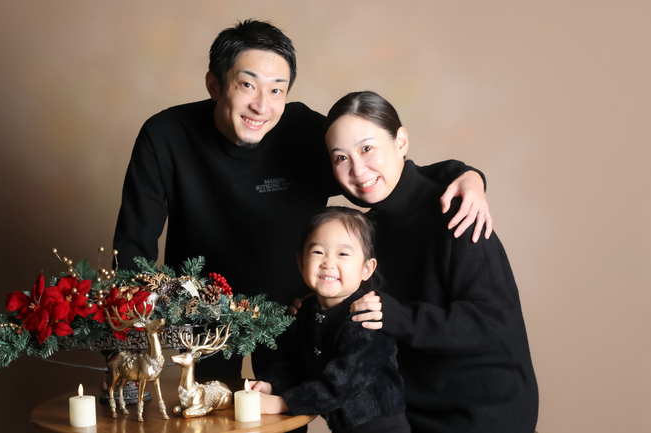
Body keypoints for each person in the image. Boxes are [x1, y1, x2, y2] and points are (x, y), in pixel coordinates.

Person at [112, 19, 492, 378]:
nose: (262, 106)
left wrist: (465, 174)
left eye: (276, 90)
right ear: (214, 84)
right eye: (247, 85)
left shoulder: (305, 133)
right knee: (201, 411)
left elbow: (377, 176)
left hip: (290, 315)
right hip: (202, 315)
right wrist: (124, 345)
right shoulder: (165, 135)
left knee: (289, 409)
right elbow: (133, 244)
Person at [323, 91, 538, 433]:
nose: (358, 170)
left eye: (367, 148)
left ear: (401, 141)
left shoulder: (458, 212)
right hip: (410, 412)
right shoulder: (365, 233)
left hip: (483, 412)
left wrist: (399, 318)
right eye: (341, 158)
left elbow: (489, 319)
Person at [252, 207, 410, 433]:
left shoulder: (367, 317)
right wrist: (271, 385)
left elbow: (341, 384)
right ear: (301, 263)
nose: (328, 262)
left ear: (366, 269)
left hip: (382, 428)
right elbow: (294, 365)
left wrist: (281, 403)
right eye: (318, 252)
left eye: (343, 254)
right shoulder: (305, 312)